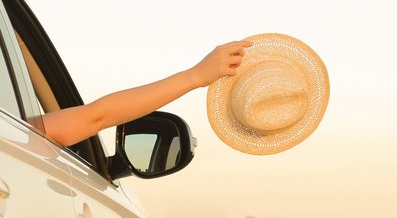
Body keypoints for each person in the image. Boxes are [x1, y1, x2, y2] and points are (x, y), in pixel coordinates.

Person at [38, 40, 252, 147]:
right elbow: (95, 116)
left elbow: (97, 116)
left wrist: (196, 76)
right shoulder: (10, 134)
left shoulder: (10, 133)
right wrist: (195, 77)